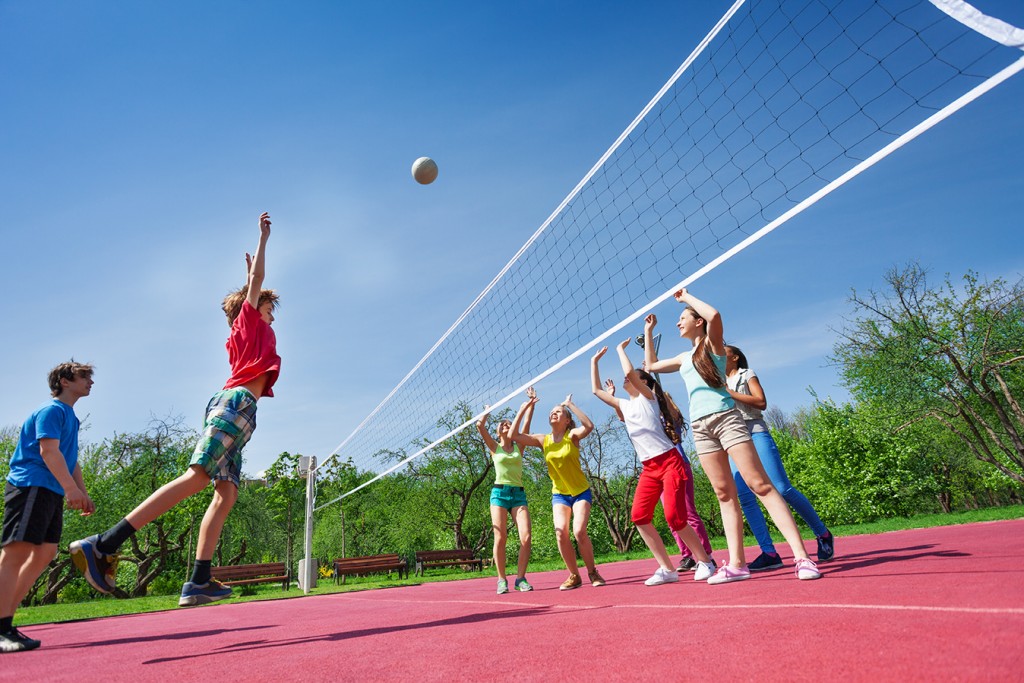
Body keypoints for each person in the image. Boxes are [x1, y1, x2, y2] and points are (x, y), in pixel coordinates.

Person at [71, 212, 280, 607]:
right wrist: (263, 241)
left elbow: (254, 289)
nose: (272, 313)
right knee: (198, 478)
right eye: (268, 306)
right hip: (234, 404)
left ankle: (199, 580)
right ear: (251, 309)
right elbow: (255, 286)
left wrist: (254, 277)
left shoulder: (248, 336)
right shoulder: (249, 324)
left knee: (226, 494)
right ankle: (103, 544)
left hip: (241, 411)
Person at [644, 289, 821, 583]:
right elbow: (650, 366)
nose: (678, 323)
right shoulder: (683, 357)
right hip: (701, 428)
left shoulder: (713, 346)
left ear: (697, 322)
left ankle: (802, 559)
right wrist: (649, 332)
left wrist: (686, 297)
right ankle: (738, 565)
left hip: (726, 419)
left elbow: (714, 315)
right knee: (724, 494)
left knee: (760, 485)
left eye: (683, 319)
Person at [591, 342, 716, 585]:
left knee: (675, 517)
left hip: (670, 462)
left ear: (644, 383)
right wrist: (594, 362)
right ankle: (666, 569)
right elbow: (596, 390)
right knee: (639, 516)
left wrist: (619, 350)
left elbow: (629, 374)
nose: (626, 381)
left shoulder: (648, 398)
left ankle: (705, 562)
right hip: (649, 468)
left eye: (632, 380)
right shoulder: (624, 406)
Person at [1, 361, 95, 652]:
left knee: (45, 551)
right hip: (31, 484)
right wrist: (70, 489)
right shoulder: (51, 410)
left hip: (51, 490)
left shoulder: (71, 417)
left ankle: (5, 623)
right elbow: (48, 451)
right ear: (65, 381)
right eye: (84, 377)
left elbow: (70, 457)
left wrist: (81, 490)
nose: (91, 382)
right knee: (17, 550)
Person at [724, 345, 834, 569]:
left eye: (723, 352)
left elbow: (761, 402)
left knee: (781, 488)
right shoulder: (717, 381)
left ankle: (822, 533)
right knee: (745, 495)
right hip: (734, 437)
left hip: (755, 432)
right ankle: (769, 553)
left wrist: (730, 393)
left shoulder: (747, 374)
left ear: (734, 357)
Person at [510, 390, 606, 589]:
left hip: (580, 492)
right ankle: (574, 575)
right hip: (560, 494)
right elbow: (514, 435)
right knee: (561, 533)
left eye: (558, 412)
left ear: (567, 420)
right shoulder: (542, 440)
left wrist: (569, 404)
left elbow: (589, 426)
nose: (553, 413)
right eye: (552, 412)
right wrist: (524, 408)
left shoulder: (572, 436)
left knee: (579, 532)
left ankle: (592, 572)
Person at [477, 388, 537, 594]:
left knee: (526, 537)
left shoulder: (519, 447)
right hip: (499, 494)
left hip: (518, 493)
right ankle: (501, 579)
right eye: (502, 424)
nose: (506, 424)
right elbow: (479, 425)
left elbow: (526, 426)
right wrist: (487, 411)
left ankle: (520, 578)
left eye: (509, 424)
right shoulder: (495, 447)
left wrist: (531, 404)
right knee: (500, 537)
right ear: (498, 431)